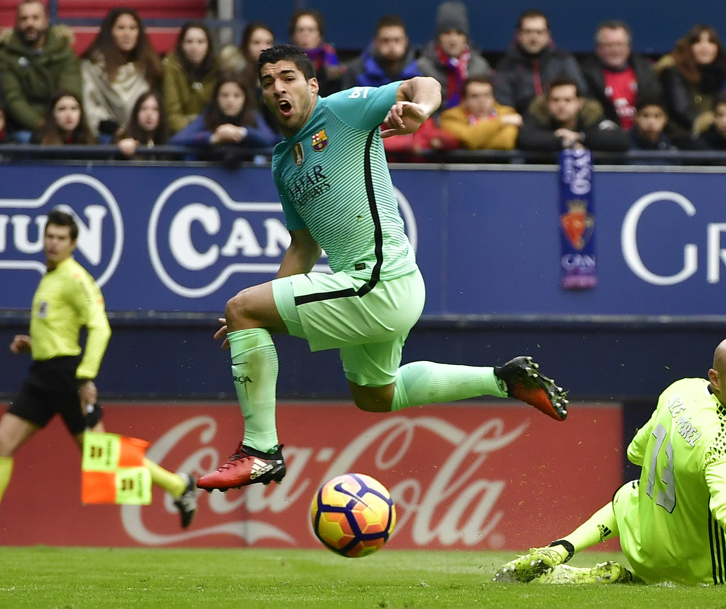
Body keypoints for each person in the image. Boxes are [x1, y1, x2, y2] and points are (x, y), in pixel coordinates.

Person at [195, 44, 569, 492]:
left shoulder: (342, 110)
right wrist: (262, 316)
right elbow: (303, 246)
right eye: (268, 82)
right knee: (376, 396)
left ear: (311, 85)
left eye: (288, 77)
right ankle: (503, 380)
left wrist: (421, 109)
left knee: (242, 308)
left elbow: (422, 84)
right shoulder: (282, 161)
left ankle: (260, 451)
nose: (278, 87)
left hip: (379, 281)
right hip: (374, 287)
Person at [495, 336, 726, 589]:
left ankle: (560, 550)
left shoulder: (679, 392)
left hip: (643, 552)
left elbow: (636, 453)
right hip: (704, 573)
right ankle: (603, 568)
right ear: (716, 379)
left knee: (631, 492)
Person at [0, 210, 198, 546]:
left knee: (101, 459)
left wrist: (85, 376)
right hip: (42, 375)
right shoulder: (50, 276)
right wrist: (35, 345)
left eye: (61, 238)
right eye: (49, 236)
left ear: (73, 244)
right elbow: (59, 331)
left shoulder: (75, 278)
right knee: (0, 443)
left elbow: (101, 327)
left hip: (65, 378)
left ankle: (179, 485)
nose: (53, 243)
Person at [0, 0, 83, 138]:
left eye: (35, 18)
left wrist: (57, 124)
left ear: (45, 21)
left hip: (61, 122)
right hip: (24, 127)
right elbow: (13, 99)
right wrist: (42, 126)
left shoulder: (65, 52)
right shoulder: (5, 56)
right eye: (24, 18)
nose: (30, 23)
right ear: (17, 23)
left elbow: (69, 92)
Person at [81, 7, 163, 139]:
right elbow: (90, 108)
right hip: (104, 138)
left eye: (132, 28)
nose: (127, 33)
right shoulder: (92, 67)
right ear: (110, 32)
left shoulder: (151, 67)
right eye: (121, 28)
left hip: (145, 135)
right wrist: (113, 129)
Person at [492, 9, 588, 116]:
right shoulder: (505, 67)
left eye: (539, 32)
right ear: (518, 35)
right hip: (523, 125)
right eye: (528, 32)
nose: (534, 37)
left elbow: (582, 96)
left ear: (548, 35)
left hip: (564, 121)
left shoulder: (563, 60)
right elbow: (504, 106)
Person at [169, 72, 279, 156]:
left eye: (237, 96)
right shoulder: (208, 116)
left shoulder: (252, 115)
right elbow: (177, 140)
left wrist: (242, 133)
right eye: (225, 95)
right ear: (216, 98)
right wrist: (213, 138)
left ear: (245, 99)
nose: (230, 101)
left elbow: (270, 139)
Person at [580, 20, 662, 130]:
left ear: (628, 46)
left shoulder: (644, 70)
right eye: (609, 45)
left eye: (620, 44)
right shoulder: (586, 74)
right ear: (598, 48)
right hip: (606, 138)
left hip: (642, 136)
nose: (615, 50)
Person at [656, 24, 726, 141]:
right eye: (698, 42)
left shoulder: (723, 71)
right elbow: (682, 111)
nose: (705, 47)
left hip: (717, 134)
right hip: (682, 135)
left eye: (711, 42)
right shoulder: (674, 70)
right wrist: (710, 126)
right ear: (689, 47)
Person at [516, 77, 629, 153]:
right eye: (555, 100)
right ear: (547, 103)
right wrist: (563, 142)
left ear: (579, 103)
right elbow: (525, 138)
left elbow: (620, 139)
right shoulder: (538, 115)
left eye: (568, 100)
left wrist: (579, 137)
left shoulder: (591, 116)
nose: (561, 105)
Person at [416, 0, 492, 111]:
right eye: (447, 33)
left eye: (459, 33)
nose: (453, 40)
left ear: (466, 37)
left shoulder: (480, 67)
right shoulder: (423, 67)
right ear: (439, 37)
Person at [162, 21, 220, 134]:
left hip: (213, 135)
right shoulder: (170, 67)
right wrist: (195, 135)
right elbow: (172, 113)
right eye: (189, 41)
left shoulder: (219, 68)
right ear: (181, 45)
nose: (194, 47)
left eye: (200, 42)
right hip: (183, 136)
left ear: (209, 45)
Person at [438, 75, 522, 150]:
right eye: (474, 96)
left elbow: (506, 142)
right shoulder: (451, 117)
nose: (482, 101)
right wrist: (500, 121)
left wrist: (477, 139)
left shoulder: (507, 113)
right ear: (464, 100)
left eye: (487, 95)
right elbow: (470, 139)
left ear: (493, 98)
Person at [341, 14, 421, 89]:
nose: (391, 46)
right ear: (375, 42)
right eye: (385, 40)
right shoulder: (355, 72)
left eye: (397, 40)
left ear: (406, 41)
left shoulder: (422, 72)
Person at [288, 9, 343, 96]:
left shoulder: (331, 63)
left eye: (311, 30)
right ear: (293, 36)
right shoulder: (285, 63)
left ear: (320, 36)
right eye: (301, 30)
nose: (306, 34)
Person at [116, 90, 170, 158]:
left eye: (155, 109)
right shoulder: (123, 138)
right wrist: (122, 149)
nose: (149, 114)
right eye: (144, 109)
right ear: (136, 114)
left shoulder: (170, 142)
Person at [32, 90, 97, 146]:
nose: (69, 114)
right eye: (62, 109)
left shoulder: (89, 139)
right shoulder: (41, 139)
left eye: (74, 108)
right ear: (52, 114)